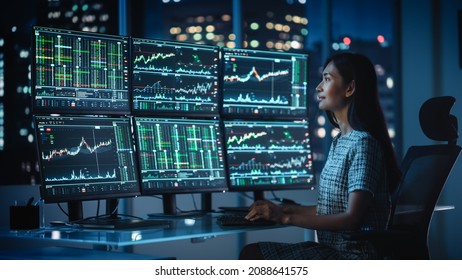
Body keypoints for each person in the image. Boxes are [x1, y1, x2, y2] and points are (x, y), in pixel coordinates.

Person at [239, 52, 402, 260]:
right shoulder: (340, 141)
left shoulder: (363, 144)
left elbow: (351, 219)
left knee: (252, 255)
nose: (318, 87)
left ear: (350, 88)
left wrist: (285, 217)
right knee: (252, 253)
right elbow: (330, 209)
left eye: (327, 79)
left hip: (353, 257)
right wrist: (281, 209)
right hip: (333, 251)